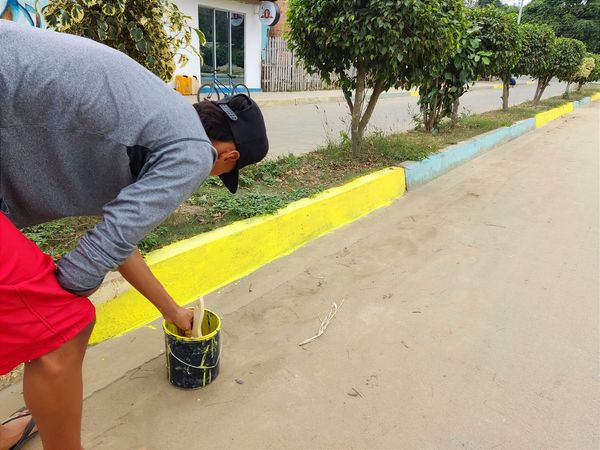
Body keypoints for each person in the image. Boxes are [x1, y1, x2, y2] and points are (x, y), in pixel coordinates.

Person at [0, 19, 268, 450]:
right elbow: (88, 264)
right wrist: (50, 311)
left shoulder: (149, 127)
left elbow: (119, 243)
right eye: (221, 173)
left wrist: (173, 312)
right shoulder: (193, 151)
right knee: (63, 329)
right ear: (228, 156)